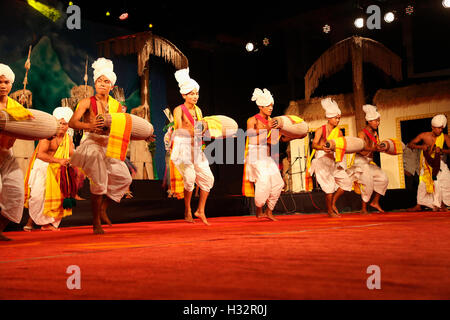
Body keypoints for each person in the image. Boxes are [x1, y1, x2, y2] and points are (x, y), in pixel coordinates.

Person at [68, 58, 133, 234]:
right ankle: (96, 221)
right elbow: (72, 122)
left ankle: (103, 208)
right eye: (99, 81)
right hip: (92, 143)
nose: (102, 84)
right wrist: (89, 126)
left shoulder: (117, 106)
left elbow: (124, 127)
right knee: (100, 181)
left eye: (106, 81)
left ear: (112, 85)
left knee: (125, 178)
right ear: (95, 83)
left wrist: (146, 135)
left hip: (109, 144)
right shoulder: (87, 102)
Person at [169, 68, 214, 225]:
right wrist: (196, 131)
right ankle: (187, 209)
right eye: (191, 94)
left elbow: (201, 130)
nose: (195, 96)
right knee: (190, 178)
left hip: (195, 148)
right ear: (183, 95)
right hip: (182, 148)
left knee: (208, 178)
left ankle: (200, 210)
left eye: (196, 93)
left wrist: (210, 130)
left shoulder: (199, 110)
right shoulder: (178, 110)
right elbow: (179, 129)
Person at [23, 107, 75, 231]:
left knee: (58, 197)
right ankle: (32, 222)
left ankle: (47, 224)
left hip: (58, 170)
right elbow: (40, 154)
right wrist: (59, 160)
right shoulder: (47, 136)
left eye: (65, 124)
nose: (62, 126)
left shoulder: (68, 138)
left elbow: (71, 155)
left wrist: (71, 162)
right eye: (60, 123)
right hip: (43, 167)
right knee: (37, 196)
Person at [0, 63, 34, 240]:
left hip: (7, 156)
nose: (3, 85)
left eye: (6, 82)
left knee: (16, 192)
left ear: (11, 84)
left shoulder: (16, 107)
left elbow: (31, 129)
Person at [242, 88, 285, 221]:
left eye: (272, 105)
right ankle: (259, 208)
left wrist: (287, 136)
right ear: (260, 106)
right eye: (268, 105)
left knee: (278, 183)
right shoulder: (252, 120)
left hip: (266, 157)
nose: (271, 108)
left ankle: (269, 211)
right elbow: (250, 136)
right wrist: (267, 128)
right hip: (254, 156)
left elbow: (272, 141)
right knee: (264, 181)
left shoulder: (273, 121)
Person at [307, 98, 352, 217]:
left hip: (333, 161)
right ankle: (330, 211)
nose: (337, 120)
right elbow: (314, 144)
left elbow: (341, 147)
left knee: (346, 183)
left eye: (339, 118)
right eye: (335, 118)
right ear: (328, 118)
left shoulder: (339, 132)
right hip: (322, 161)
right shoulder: (320, 130)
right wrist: (323, 148)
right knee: (329, 187)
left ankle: (333, 204)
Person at [347, 104, 389, 214]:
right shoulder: (362, 134)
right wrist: (374, 148)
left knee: (383, 178)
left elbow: (374, 148)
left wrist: (381, 148)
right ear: (369, 121)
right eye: (375, 121)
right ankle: (364, 208)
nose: (377, 123)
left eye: (378, 121)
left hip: (368, 162)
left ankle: (375, 202)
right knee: (367, 182)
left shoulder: (375, 133)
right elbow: (360, 150)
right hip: (360, 162)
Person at [407, 114, 450, 212]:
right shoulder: (424, 135)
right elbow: (410, 144)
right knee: (422, 185)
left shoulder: (445, 137)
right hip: (426, 164)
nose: (439, 130)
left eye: (441, 128)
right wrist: (421, 147)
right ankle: (419, 205)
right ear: (432, 127)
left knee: (445, 183)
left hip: (440, 164)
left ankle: (442, 204)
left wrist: (442, 150)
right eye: (437, 128)